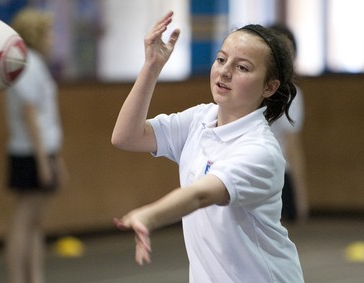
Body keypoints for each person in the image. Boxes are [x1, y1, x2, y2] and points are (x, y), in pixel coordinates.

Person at [112, 11, 304, 283]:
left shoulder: (262, 150)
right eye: (222, 59)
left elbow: (200, 195)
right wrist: (152, 67)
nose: (224, 71)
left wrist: (149, 216)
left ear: (270, 87)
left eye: (242, 67)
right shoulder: (199, 119)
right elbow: (126, 136)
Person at [4, 8, 67, 283]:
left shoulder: (34, 64)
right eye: (49, 32)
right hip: (30, 153)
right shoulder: (27, 64)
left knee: (35, 222)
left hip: (41, 151)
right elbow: (30, 114)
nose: (52, 38)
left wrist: (56, 159)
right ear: (35, 34)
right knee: (24, 222)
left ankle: (35, 277)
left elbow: (45, 117)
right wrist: (43, 161)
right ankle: (18, 278)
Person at [269, 24, 309, 224]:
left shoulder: (252, 89)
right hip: (277, 174)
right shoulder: (291, 94)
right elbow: (292, 147)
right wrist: (301, 196)